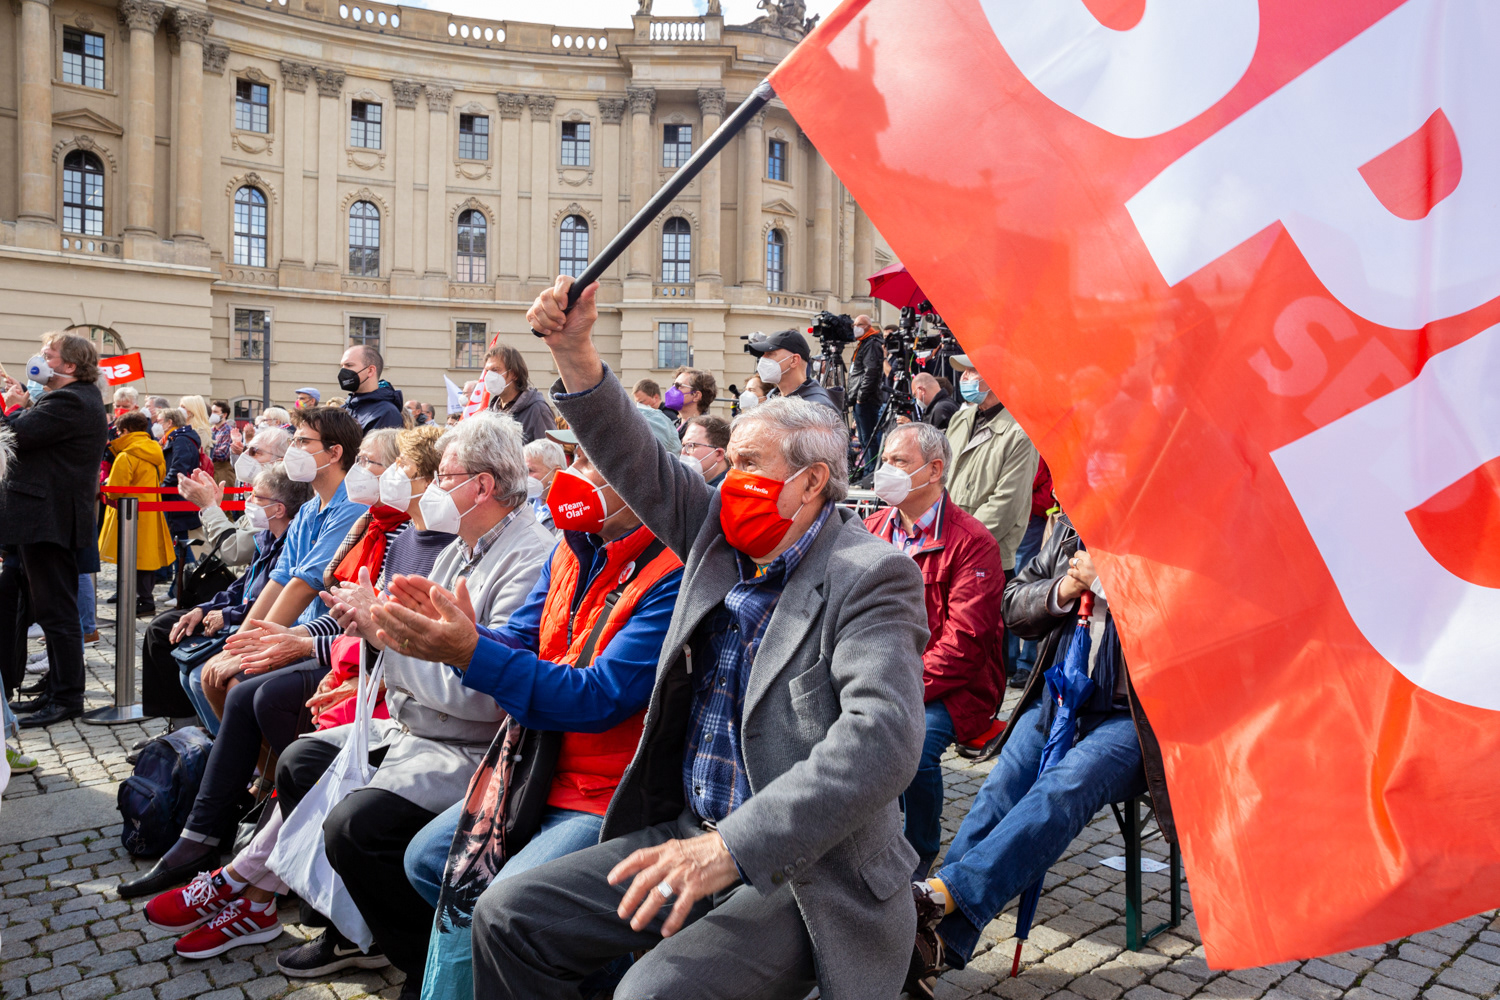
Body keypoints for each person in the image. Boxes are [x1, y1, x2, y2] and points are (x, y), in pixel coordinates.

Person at [459, 275, 928, 1000]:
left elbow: (883, 741)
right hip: (687, 828)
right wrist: (574, 350)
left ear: (809, 485)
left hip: (804, 871)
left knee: (652, 993)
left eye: (748, 465)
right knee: (508, 916)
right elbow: (634, 459)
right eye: (728, 460)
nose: (726, 479)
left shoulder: (872, 573)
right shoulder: (721, 539)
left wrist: (731, 849)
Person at [140, 427, 461, 964]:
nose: (378, 475)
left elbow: (392, 631)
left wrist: (313, 652)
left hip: (388, 689)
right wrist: (276, 638)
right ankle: (229, 854)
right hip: (360, 670)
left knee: (266, 704)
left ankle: (248, 883)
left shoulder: (428, 540)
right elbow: (336, 605)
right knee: (256, 704)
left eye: (387, 465)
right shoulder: (382, 525)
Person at [384, 443, 683, 1000]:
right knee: (426, 861)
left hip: (610, 794)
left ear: (648, 478)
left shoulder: (672, 572)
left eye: (592, 462)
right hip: (534, 769)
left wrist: (470, 651)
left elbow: (600, 699)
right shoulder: (572, 551)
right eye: (574, 460)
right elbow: (522, 642)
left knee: (507, 904)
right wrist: (457, 637)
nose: (574, 475)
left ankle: (582, 972)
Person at [269, 412, 555, 991]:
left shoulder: (528, 558)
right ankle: (359, 932)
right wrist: (376, 628)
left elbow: (485, 694)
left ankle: (422, 958)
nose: (430, 488)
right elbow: (418, 645)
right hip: (420, 726)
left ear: (484, 486)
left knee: (357, 828)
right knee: (299, 763)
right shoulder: (460, 548)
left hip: (471, 746)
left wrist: (384, 640)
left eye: (445, 477)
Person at [908, 514, 1175, 988]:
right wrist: (1066, 589)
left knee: (1062, 788)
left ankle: (937, 914)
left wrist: (1114, 588)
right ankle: (933, 936)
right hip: (1060, 699)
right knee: (999, 790)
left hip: (1133, 717)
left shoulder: (1176, 535)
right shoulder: (1073, 528)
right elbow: (1015, 608)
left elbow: (1192, 631)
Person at [117, 407, 368, 898]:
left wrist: (257, 645)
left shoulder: (348, 506)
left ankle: (246, 811)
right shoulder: (314, 508)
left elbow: (303, 585)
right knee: (216, 673)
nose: (296, 449)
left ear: (334, 453)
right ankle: (220, 823)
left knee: (243, 689)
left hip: (318, 638)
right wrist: (242, 641)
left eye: (303, 441)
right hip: (294, 632)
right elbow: (277, 579)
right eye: (293, 440)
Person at [862, 422, 1004, 878]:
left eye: (898, 462)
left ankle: (919, 851)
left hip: (951, 687)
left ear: (934, 469)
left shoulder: (972, 542)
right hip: (882, 674)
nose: (885, 470)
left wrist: (899, 686)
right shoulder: (870, 528)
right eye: (885, 460)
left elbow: (965, 643)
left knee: (913, 749)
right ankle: (858, 840)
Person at [139, 464, 312, 727]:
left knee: (198, 675)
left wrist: (225, 614)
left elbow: (271, 597)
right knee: (172, 640)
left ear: (279, 509)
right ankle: (196, 735)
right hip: (239, 617)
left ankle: (227, 745)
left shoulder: (290, 539)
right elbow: (243, 585)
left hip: (259, 627)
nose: (249, 501)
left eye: (257, 497)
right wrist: (204, 609)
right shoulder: (268, 535)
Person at [0, 333, 108, 727]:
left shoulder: (70, 399)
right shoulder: (68, 399)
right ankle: (54, 689)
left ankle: (65, 698)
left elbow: (14, 437)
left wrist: (11, 408)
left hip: (47, 520)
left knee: (56, 613)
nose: (39, 359)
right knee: (45, 609)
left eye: (48, 355)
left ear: (70, 366)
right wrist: (24, 406)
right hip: (43, 519)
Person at [944, 353, 1040, 582]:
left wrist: (960, 543)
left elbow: (1006, 503)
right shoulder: (960, 419)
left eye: (971, 371)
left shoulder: (1020, 433)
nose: (963, 377)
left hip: (983, 555)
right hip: (946, 549)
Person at [177, 426, 292, 570]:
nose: (245, 456)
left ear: (278, 462)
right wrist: (213, 507)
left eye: (255, 452)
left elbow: (232, 551)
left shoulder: (276, 501)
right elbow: (223, 543)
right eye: (247, 449)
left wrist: (209, 507)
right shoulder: (258, 496)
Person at [97, 412, 176, 620]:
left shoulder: (127, 454)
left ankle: (140, 599)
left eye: (118, 431)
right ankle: (144, 598)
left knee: (131, 556)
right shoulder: (155, 449)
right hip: (150, 512)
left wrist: (104, 487)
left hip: (130, 514)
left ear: (126, 431)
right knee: (145, 558)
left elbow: (115, 490)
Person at [159, 408, 204, 598]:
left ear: (169, 422)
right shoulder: (177, 439)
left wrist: (162, 488)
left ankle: (183, 591)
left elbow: (178, 467)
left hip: (177, 497)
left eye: (160, 421)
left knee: (181, 546)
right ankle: (175, 590)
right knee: (178, 544)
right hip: (175, 497)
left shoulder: (181, 440)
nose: (158, 425)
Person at [745, 328, 838, 410]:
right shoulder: (771, 399)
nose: (763, 359)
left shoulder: (817, 407)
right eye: (763, 354)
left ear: (794, 360)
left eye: (770, 354)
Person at [481, 342, 557, 443]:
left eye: (495, 370)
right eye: (487, 371)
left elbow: (551, 453)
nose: (489, 376)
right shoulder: (491, 412)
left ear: (514, 374)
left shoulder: (537, 409)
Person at [848, 314, 887, 459]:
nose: (855, 328)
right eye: (854, 325)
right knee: (864, 439)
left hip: (867, 400)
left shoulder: (871, 343)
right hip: (862, 398)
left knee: (868, 438)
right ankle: (867, 468)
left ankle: (871, 470)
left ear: (867, 326)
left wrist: (860, 398)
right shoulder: (864, 342)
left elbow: (871, 372)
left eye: (858, 325)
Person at [339, 346, 405, 432]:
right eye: (342, 366)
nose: (343, 371)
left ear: (370, 370)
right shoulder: (346, 407)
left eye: (349, 365)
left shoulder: (386, 413)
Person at [523, 438, 566, 532]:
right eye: (523, 471)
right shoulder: (523, 504)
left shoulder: (569, 512)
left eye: (530, 471)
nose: (524, 476)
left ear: (556, 473)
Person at [679, 414, 730, 487]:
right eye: (683, 445)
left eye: (691, 445)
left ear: (719, 454)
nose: (683, 452)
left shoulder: (728, 493)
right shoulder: (689, 486)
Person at [667, 367, 717, 436]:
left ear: (696, 395)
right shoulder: (671, 426)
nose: (672, 389)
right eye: (673, 385)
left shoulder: (705, 431)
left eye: (678, 386)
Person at [208, 400, 234, 484]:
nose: (212, 414)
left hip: (223, 473)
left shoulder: (228, 430)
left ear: (224, 415)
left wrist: (207, 451)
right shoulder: (212, 430)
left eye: (215, 412)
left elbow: (223, 454)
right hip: (213, 470)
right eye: (211, 412)